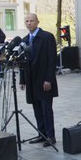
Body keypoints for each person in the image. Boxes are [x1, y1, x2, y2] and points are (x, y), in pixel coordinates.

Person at [19, 13, 58, 147]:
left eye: (31, 21)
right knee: (37, 109)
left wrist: (49, 79)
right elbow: (22, 62)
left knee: (46, 108)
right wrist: (22, 79)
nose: (29, 23)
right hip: (31, 81)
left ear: (37, 22)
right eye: (27, 21)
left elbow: (52, 59)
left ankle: (50, 136)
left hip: (44, 81)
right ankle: (41, 134)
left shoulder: (47, 37)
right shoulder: (24, 40)